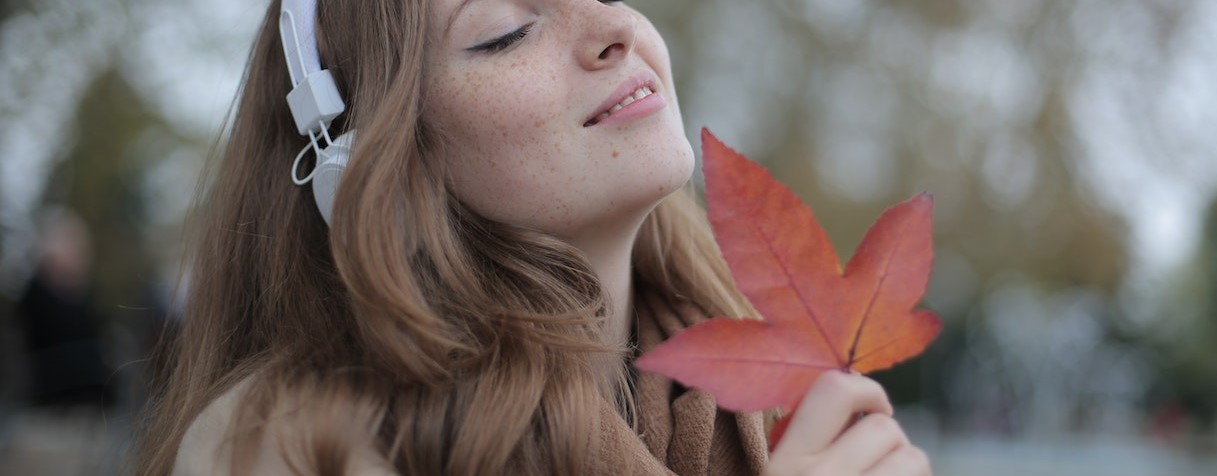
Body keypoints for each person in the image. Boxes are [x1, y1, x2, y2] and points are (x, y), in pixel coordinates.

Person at [135, 0, 931, 474]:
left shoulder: (777, 402)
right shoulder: (291, 443)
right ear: (360, 162)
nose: (613, 25)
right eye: (508, 30)